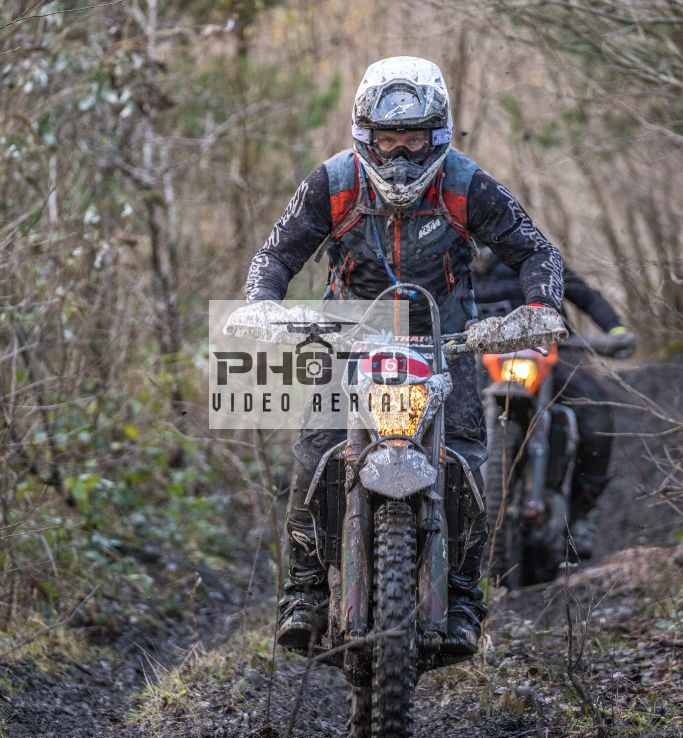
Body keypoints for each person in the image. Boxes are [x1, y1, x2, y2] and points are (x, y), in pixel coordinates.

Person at [244, 56, 565, 657]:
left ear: (436, 133)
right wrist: (262, 304)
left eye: (412, 139)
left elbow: (535, 250)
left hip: (448, 339)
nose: (398, 155)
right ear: (365, 135)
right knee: (315, 452)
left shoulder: (467, 184)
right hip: (351, 337)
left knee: (468, 459)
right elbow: (275, 256)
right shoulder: (334, 182)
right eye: (386, 140)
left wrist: (539, 307)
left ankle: (465, 598)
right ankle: (306, 592)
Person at [472, 248, 637, 557]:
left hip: (554, 352)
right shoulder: (446, 257)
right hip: (479, 361)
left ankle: (582, 512)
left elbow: (584, 295)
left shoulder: (528, 250)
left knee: (596, 418)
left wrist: (615, 331)